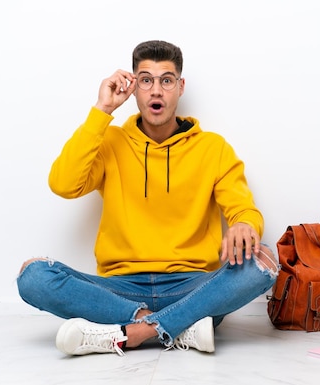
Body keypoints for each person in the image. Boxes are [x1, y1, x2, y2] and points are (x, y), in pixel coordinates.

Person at [17, 40, 279, 357]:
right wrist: (102, 111)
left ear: (180, 87)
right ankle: (175, 327)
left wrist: (245, 225)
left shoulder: (213, 148)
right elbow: (63, 184)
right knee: (32, 276)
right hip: (120, 288)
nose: (156, 90)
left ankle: (132, 332)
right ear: (135, 87)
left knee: (263, 261)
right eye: (146, 80)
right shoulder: (110, 141)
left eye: (166, 80)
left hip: (192, 287)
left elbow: (244, 209)